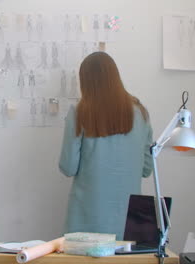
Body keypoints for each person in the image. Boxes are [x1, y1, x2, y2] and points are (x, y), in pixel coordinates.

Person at [58, 52, 153, 240]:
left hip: (87, 219)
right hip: (129, 220)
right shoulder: (141, 114)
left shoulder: (79, 113)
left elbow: (68, 167)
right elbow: (147, 169)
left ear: (86, 81)